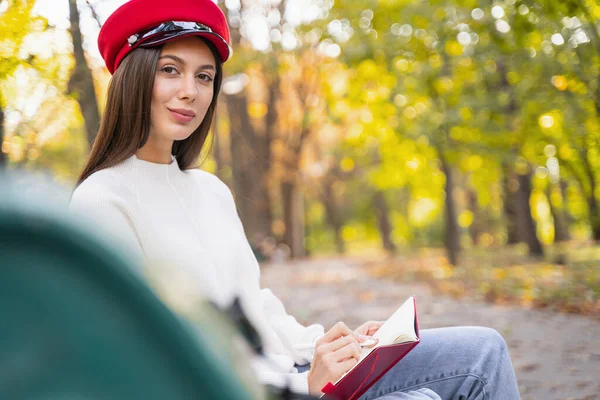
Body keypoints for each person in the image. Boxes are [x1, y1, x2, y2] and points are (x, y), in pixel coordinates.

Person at [69, 0, 521, 398]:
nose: (191, 89)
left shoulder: (210, 191)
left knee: (483, 351)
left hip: (293, 373)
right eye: (171, 70)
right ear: (133, 76)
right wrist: (302, 386)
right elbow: (146, 364)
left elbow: (253, 303)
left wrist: (334, 347)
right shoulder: (103, 203)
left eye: (204, 76)